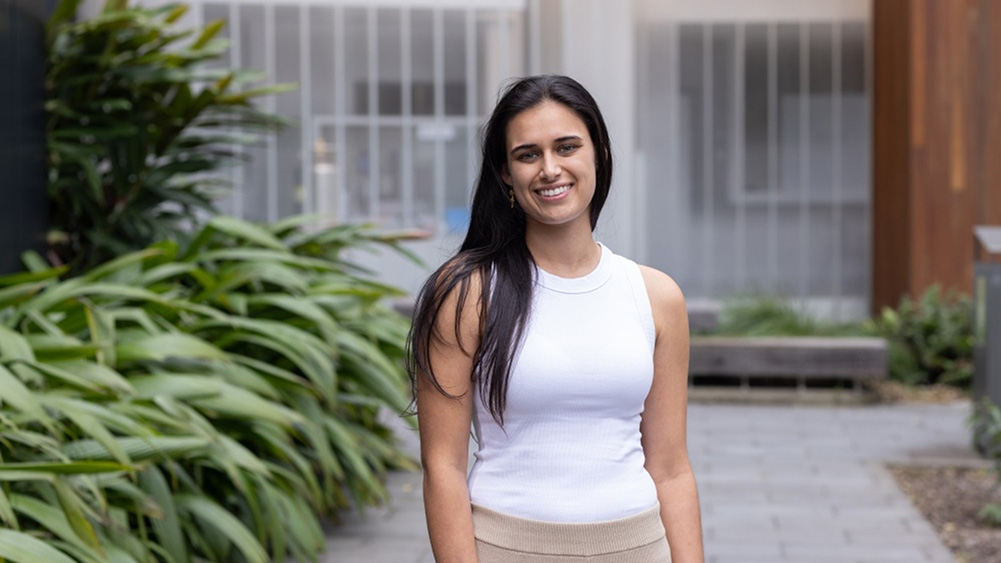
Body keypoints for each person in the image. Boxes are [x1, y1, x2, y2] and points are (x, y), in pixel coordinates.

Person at [407, 74, 704, 563]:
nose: (550, 169)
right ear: (505, 173)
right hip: (508, 546)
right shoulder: (466, 295)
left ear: (599, 153)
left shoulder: (656, 296)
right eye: (528, 154)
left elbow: (671, 468)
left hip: (638, 546)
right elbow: (442, 467)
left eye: (567, 147)